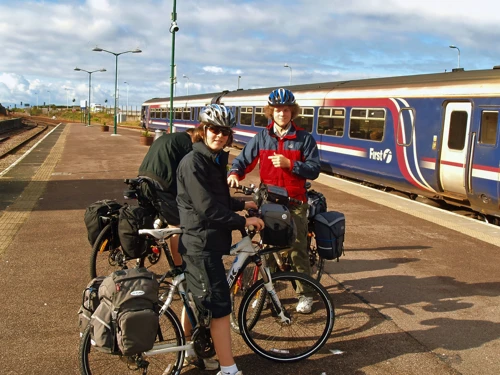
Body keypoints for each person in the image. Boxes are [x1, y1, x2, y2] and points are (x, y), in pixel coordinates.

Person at [177, 104, 264, 375]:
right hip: (201, 244)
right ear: (204, 130)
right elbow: (207, 208)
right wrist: (243, 221)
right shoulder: (194, 162)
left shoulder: (213, 159)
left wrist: (243, 204)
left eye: (225, 131)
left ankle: (193, 350)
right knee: (220, 309)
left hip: (206, 242)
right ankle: (229, 370)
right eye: (214, 130)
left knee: (194, 300)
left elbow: (219, 199)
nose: (220, 135)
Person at [227, 88, 321, 314]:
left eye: (286, 110)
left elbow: (315, 169)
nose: (282, 114)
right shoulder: (262, 137)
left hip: (296, 202)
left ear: (292, 112)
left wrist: (291, 165)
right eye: (278, 110)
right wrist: (234, 174)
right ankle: (265, 294)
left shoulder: (303, 139)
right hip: (269, 202)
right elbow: (243, 160)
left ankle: (305, 294)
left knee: (297, 249)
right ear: (271, 112)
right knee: (266, 250)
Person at [137, 127, 195, 267]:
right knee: (177, 226)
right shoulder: (187, 143)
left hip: (142, 179)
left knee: (150, 218)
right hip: (160, 183)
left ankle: (140, 259)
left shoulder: (167, 137)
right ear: (193, 136)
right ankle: (178, 267)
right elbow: (189, 171)